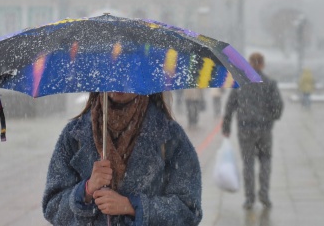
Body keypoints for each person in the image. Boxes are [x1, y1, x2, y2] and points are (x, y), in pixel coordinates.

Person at [42, 92, 202, 225]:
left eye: (128, 73)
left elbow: (189, 211)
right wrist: (86, 190)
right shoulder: (74, 135)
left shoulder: (170, 136)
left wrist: (132, 206)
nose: (119, 82)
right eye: (112, 70)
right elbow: (52, 206)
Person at [222, 52, 283, 210]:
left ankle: (249, 198)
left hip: (245, 128)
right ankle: (264, 194)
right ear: (262, 64)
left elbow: (230, 105)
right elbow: (278, 107)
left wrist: (226, 126)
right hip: (264, 130)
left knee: (248, 163)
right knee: (265, 160)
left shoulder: (241, 83)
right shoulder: (269, 83)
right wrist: (269, 118)